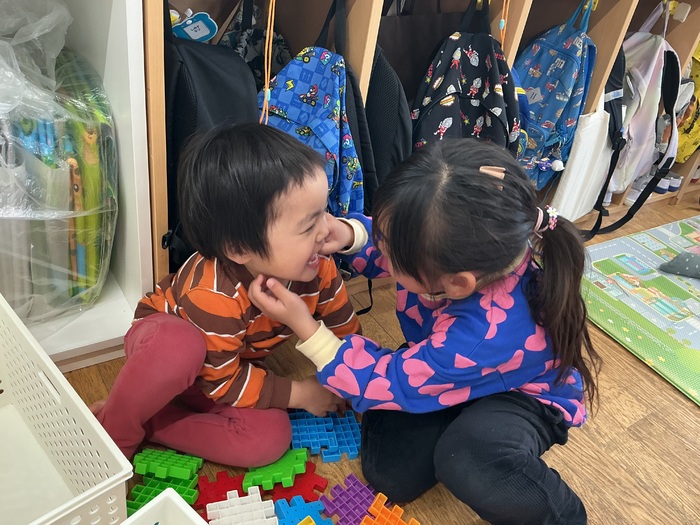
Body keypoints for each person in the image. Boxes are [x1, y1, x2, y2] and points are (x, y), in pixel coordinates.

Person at [248, 139, 601, 524]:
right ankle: (443, 401)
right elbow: (405, 242)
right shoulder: (466, 252)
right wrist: (351, 235)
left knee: (466, 457)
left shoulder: (479, 336)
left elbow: (392, 379)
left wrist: (305, 326)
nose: (381, 251)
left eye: (389, 252)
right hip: (449, 365)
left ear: (457, 284)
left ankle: (563, 517)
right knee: (391, 475)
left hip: (523, 397)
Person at [91, 123, 360, 467]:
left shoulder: (319, 266)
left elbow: (348, 338)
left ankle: (149, 418)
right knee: (177, 347)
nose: (326, 232)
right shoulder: (212, 293)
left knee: (268, 439)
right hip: (165, 352)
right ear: (240, 248)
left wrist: (356, 383)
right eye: (309, 226)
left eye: (324, 212)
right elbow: (221, 378)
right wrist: (302, 394)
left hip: (224, 368)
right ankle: (115, 433)